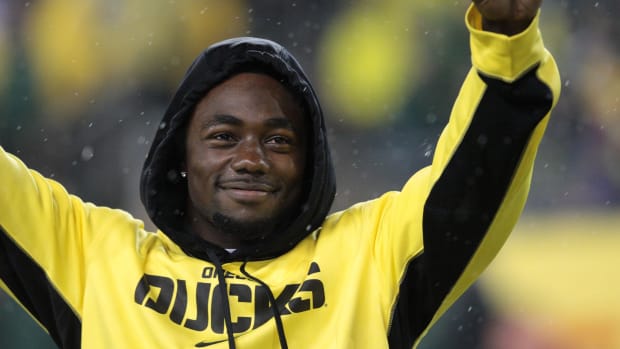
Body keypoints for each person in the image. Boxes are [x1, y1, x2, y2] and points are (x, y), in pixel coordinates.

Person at [0, 1, 560, 348]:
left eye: (278, 140)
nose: (251, 158)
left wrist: (505, 43)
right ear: (180, 158)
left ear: (311, 163)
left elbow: (477, 178)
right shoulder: (92, 257)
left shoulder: (369, 257)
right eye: (222, 137)